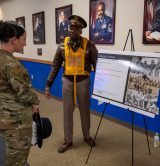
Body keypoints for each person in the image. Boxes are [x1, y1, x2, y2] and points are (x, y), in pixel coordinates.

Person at [0, 21, 40, 166]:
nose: (25, 43)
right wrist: (35, 101)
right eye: (23, 39)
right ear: (13, 40)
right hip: (17, 122)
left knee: (12, 153)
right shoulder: (11, 64)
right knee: (17, 159)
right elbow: (25, 94)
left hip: (2, 116)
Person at [45, 15, 98, 153]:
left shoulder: (90, 46)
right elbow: (55, 65)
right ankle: (68, 140)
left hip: (83, 82)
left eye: (76, 28)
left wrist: (102, 87)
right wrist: (48, 84)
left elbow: (98, 67)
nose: (72, 30)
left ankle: (87, 136)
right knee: (67, 111)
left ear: (81, 30)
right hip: (67, 81)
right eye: (70, 27)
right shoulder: (62, 45)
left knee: (85, 110)